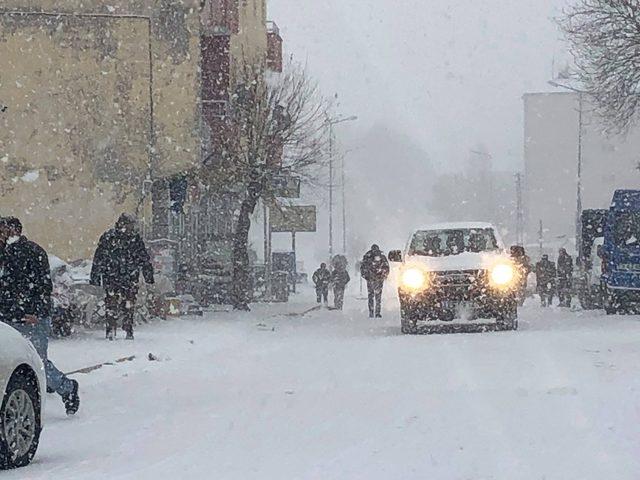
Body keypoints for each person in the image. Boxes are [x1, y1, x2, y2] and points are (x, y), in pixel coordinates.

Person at [0, 217, 80, 415]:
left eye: (3, 230)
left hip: (29, 318)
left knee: (36, 362)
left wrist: (35, 311)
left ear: (14, 231)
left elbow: (43, 286)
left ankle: (67, 388)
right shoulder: (3, 253)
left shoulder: (32, 252)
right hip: (6, 316)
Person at [91, 214, 154, 340]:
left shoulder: (134, 239)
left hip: (126, 278)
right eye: (130, 224)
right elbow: (99, 258)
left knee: (128, 304)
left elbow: (143, 258)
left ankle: (127, 329)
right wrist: (96, 277)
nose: (131, 227)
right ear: (122, 224)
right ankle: (111, 330)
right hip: (114, 277)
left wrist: (148, 276)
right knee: (112, 304)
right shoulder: (109, 238)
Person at [360, 244, 390, 318]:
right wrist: (383, 276)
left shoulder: (367, 256)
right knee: (378, 297)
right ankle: (377, 312)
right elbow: (386, 267)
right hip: (379, 279)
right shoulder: (382, 257)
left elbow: (363, 268)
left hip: (370, 279)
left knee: (371, 296)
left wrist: (366, 276)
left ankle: (371, 312)